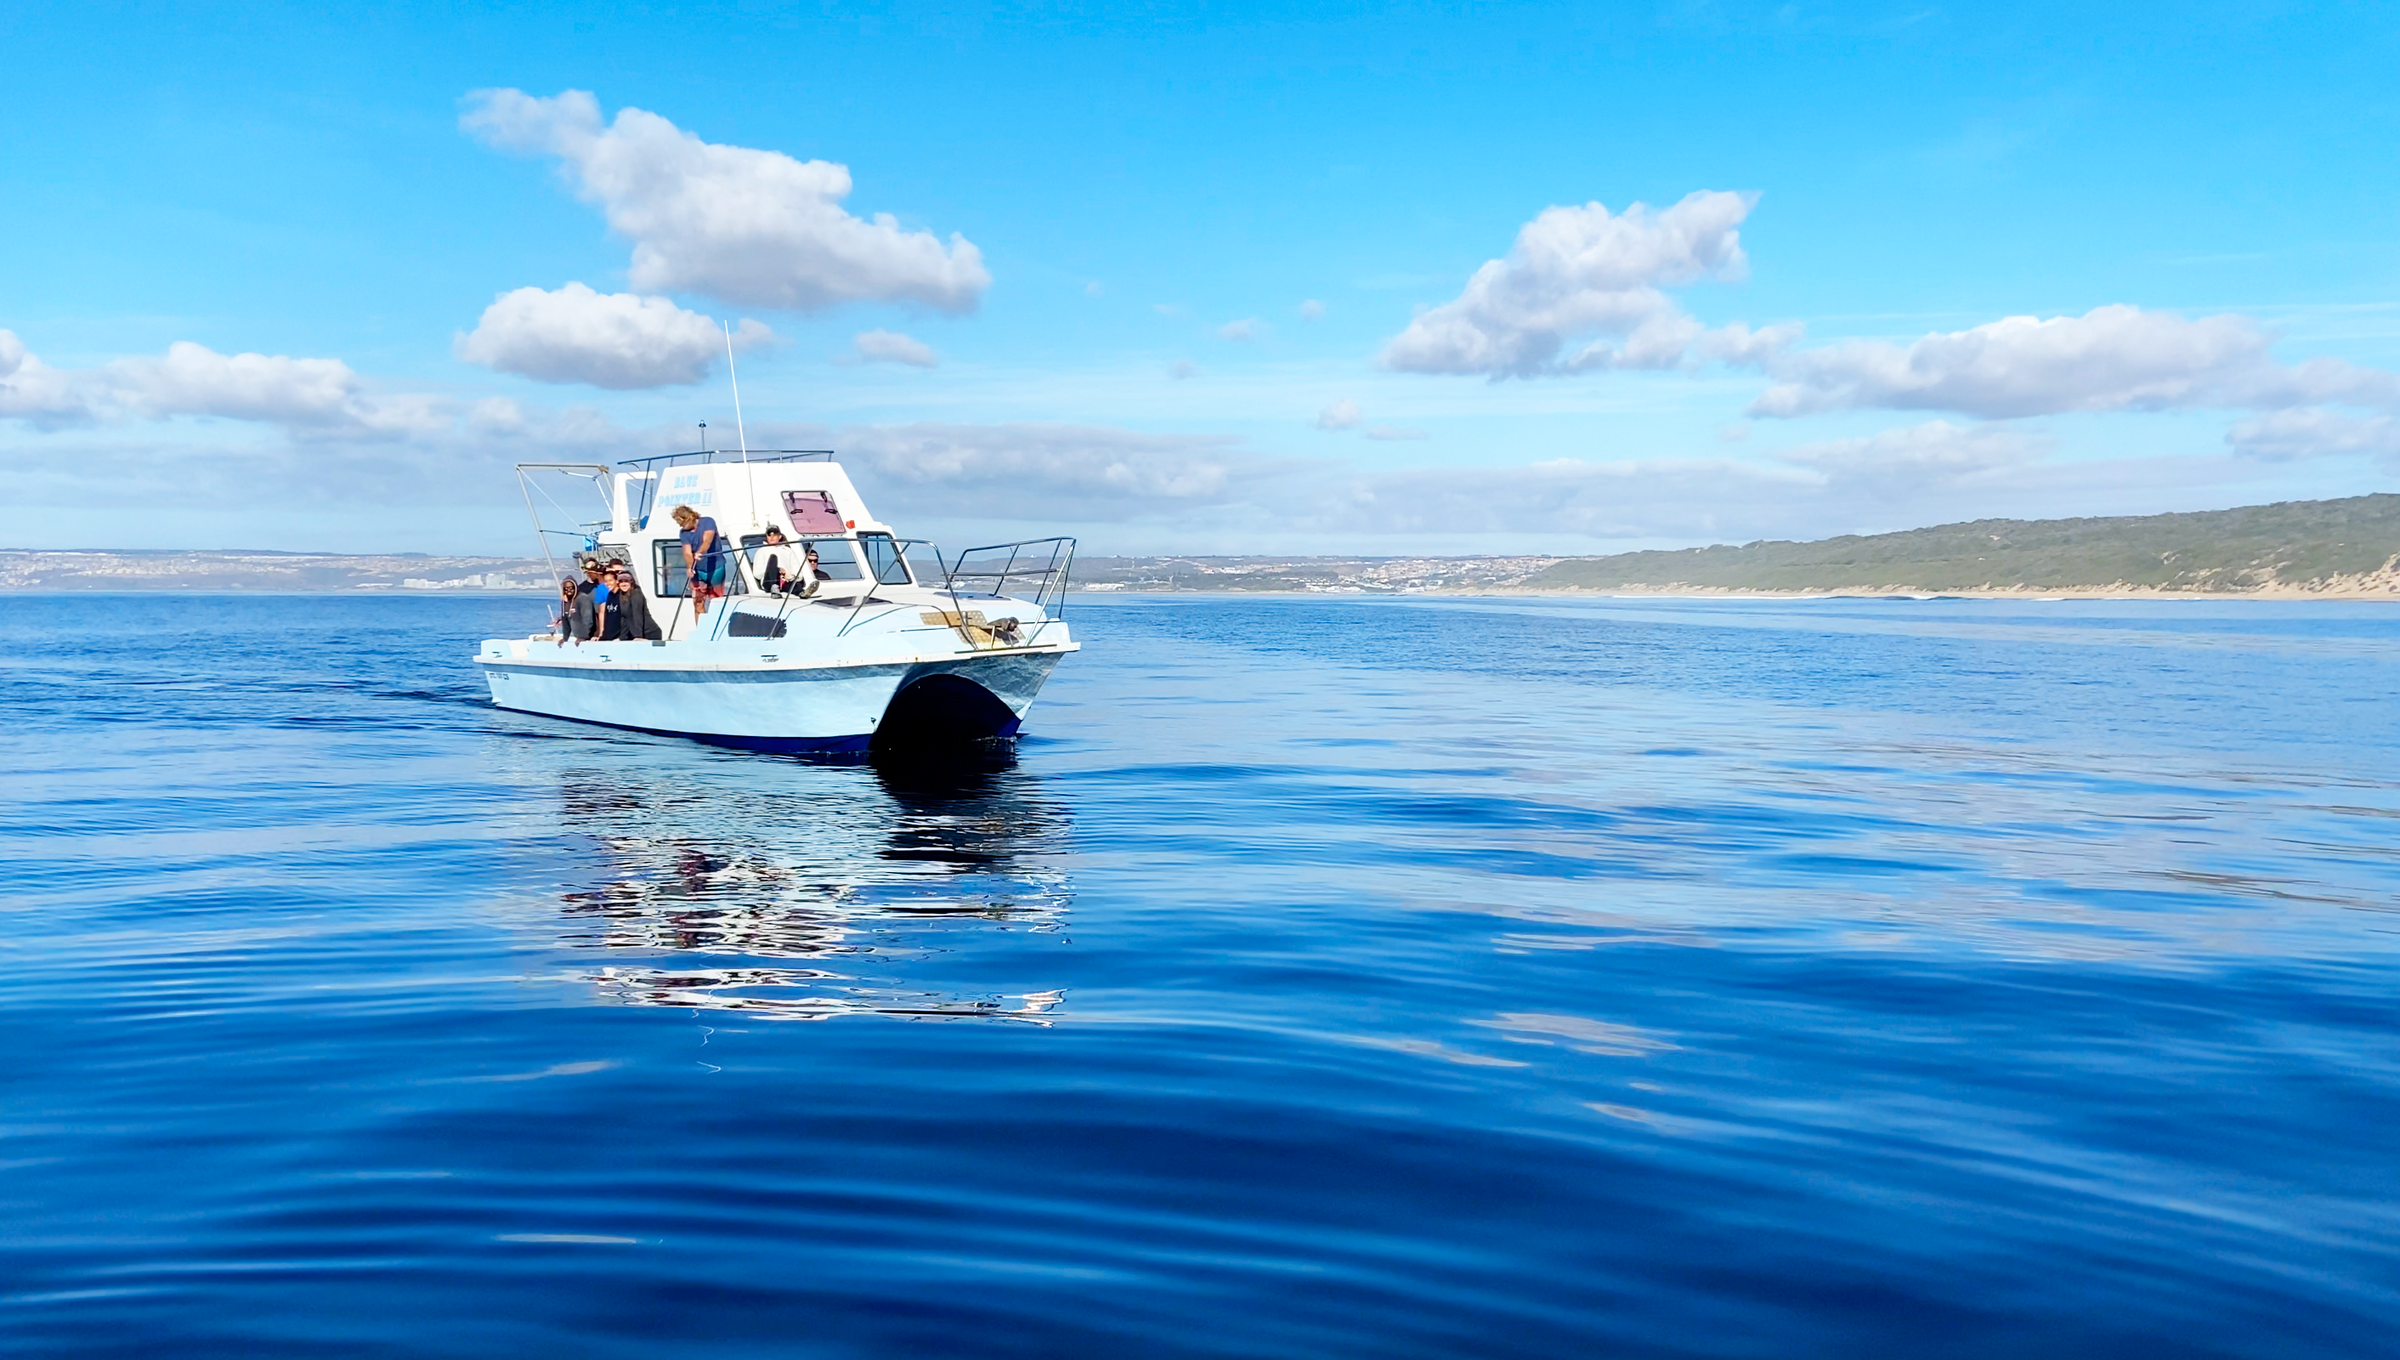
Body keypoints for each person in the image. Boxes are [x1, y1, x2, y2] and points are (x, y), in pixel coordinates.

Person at [671, 505, 726, 615]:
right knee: (697, 603)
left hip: (715, 568)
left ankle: (716, 627)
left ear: (690, 518)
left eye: (682, 524)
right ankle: (701, 629)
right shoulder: (683, 533)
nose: (681, 526)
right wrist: (689, 567)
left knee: (716, 602)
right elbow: (687, 552)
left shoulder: (708, 522)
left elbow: (707, 541)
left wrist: (700, 552)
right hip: (698, 571)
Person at [611, 564, 663, 641]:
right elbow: (624, 618)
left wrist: (638, 636)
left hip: (649, 633)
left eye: (626, 581)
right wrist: (622, 637)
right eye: (621, 582)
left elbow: (637, 615)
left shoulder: (636, 594)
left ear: (631, 582)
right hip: (636, 633)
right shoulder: (621, 595)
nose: (623, 584)